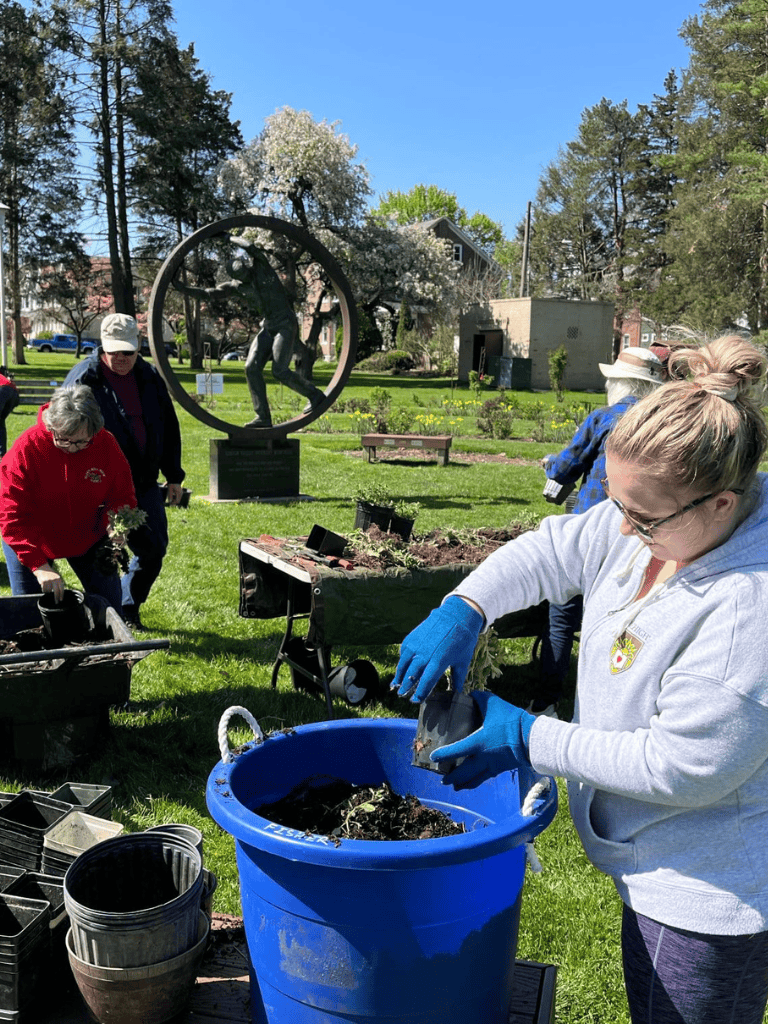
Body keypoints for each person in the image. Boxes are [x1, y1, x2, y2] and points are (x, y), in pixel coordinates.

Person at [393, 335, 768, 1024]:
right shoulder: (657, 522)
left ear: (719, 505)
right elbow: (552, 550)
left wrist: (532, 735)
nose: (621, 531)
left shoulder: (749, 607)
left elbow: (690, 766)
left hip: (709, 886)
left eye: (643, 518)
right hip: (652, 850)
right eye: (618, 506)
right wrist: (465, 606)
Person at [534, 346, 663, 716]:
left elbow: (567, 466)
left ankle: (546, 702)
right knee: (618, 622)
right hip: (644, 536)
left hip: (595, 530)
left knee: (561, 617)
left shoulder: (605, 418)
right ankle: (608, 707)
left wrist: (551, 469)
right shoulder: (661, 425)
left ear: (619, 382)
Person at [63, 313, 186, 630]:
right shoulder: (83, 381)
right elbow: (62, 436)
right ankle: (108, 616)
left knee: (153, 549)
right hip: (97, 488)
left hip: (142, 484)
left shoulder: (149, 376)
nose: (120, 358)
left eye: (127, 352)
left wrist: (174, 475)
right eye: (114, 351)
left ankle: (128, 606)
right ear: (101, 346)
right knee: (104, 555)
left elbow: (168, 428)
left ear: (138, 347)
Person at [0, 384, 136, 610]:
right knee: (28, 612)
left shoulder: (105, 443)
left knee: (110, 605)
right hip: (33, 537)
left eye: (82, 442)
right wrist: (38, 566)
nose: (73, 448)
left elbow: (121, 493)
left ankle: (110, 645)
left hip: (87, 535)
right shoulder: (26, 448)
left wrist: (116, 525)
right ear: (51, 426)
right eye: (64, 440)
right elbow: (11, 515)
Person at [173, 236, 325, 428]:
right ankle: (263, 417)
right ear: (235, 277)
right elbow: (208, 294)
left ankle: (314, 395)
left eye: (244, 271)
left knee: (279, 370)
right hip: (269, 326)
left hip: (285, 322)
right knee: (251, 368)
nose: (245, 276)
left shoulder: (261, 268)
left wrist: (228, 236)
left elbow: (252, 248)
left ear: (246, 266)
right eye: (240, 275)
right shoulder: (237, 288)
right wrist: (181, 287)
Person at [0, 369, 19, 458]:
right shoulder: (3, 376)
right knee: (0, 423)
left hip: (3, 391)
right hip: (14, 394)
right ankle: (2, 454)